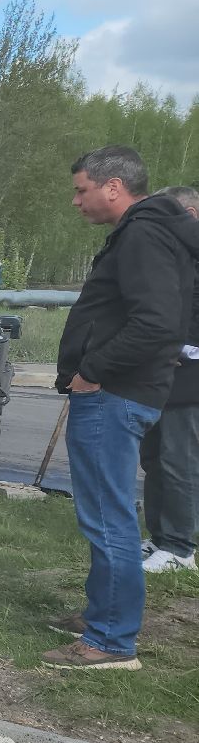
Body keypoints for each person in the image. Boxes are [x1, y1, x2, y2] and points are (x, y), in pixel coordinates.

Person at [47, 148, 199, 670]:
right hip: (127, 391)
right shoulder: (155, 233)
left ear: (114, 187)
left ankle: (110, 641)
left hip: (113, 395)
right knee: (105, 512)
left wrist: (93, 372)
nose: (76, 201)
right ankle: (103, 614)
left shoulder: (142, 234)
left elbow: (156, 322)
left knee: (108, 515)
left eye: (81, 189)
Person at [140, 184, 199, 573]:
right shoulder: (175, 257)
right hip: (160, 373)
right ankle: (160, 537)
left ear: (190, 215)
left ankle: (180, 546)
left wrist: (181, 347)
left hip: (190, 375)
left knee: (180, 460)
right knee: (154, 457)